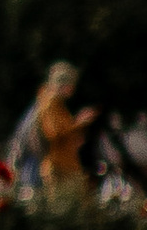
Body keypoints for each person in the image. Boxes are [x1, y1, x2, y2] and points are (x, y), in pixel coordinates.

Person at [35, 61, 99, 193]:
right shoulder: (50, 104)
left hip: (67, 165)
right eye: (71, 85)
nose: (72, 89)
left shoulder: (58, 105)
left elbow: (64, 130)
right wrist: (79, 122)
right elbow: (54, 134)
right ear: (63, 85)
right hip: (59, 168)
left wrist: (77, 132)